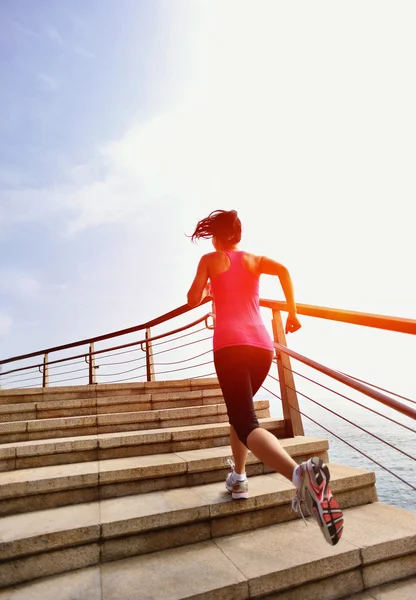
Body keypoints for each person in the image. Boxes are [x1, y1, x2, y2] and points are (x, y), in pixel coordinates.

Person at [187, 209, 343, 546]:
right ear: (238, 236)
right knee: (239, 415)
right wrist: (293, 312)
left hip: (230, 347)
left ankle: (299, 476)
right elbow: (285, 270)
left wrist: (209, 291)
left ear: (215, 236)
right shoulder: (255, 260)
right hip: (262, 347)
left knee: (246, 422)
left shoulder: (210, 260)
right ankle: (239, 478)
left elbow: (192, 298)